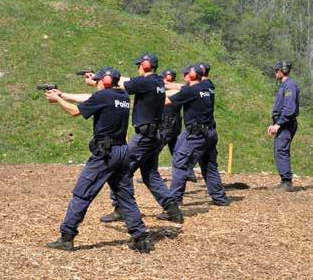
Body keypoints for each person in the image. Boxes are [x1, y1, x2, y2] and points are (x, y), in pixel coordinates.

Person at [44, 67, 154, 253]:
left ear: (108, 80)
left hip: (105, 154)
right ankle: (140, 237)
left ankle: (67, 237)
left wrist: (58, 100)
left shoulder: (103, 97)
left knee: (82, 194)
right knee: (126, 196)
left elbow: (74, 111)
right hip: (122, 151)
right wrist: (63, 94)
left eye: (98, 80)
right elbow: (91, 99)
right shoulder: (123, 97)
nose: (96, 82)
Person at [96, 54, 183, 224]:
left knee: (120, 169)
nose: (138, 67)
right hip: (154, 134)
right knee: (150, 174)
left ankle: (120, 208)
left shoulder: (146, 82)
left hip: (144, 136)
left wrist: (99, 79)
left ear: (145, 65)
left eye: (139, 65)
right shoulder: (158, 81)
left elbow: (119, 83)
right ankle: (173, 209)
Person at [164, 65, 230, 206]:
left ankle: (174, 201)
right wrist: (165, 85)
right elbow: (182, 88)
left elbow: (169, 100)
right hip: (210, 133)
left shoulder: (191, 91)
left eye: (186, 73)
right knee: (209, 165)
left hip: (197, 135)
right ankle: (220, 198)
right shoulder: (208, 86)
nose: (184, 75)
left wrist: (150, 96)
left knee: (180, 164)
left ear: (192, 76)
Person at [267, 61, 300, 192]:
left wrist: (278, 124)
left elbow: (289, 109)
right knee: (279, 150)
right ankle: (284, 180)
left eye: (276, 71)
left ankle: (287, 182)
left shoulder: (289, 86)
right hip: (283, 123)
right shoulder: (285, 85)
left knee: (281, 150)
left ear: (282, 71)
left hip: (286, 124)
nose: (275, 73)